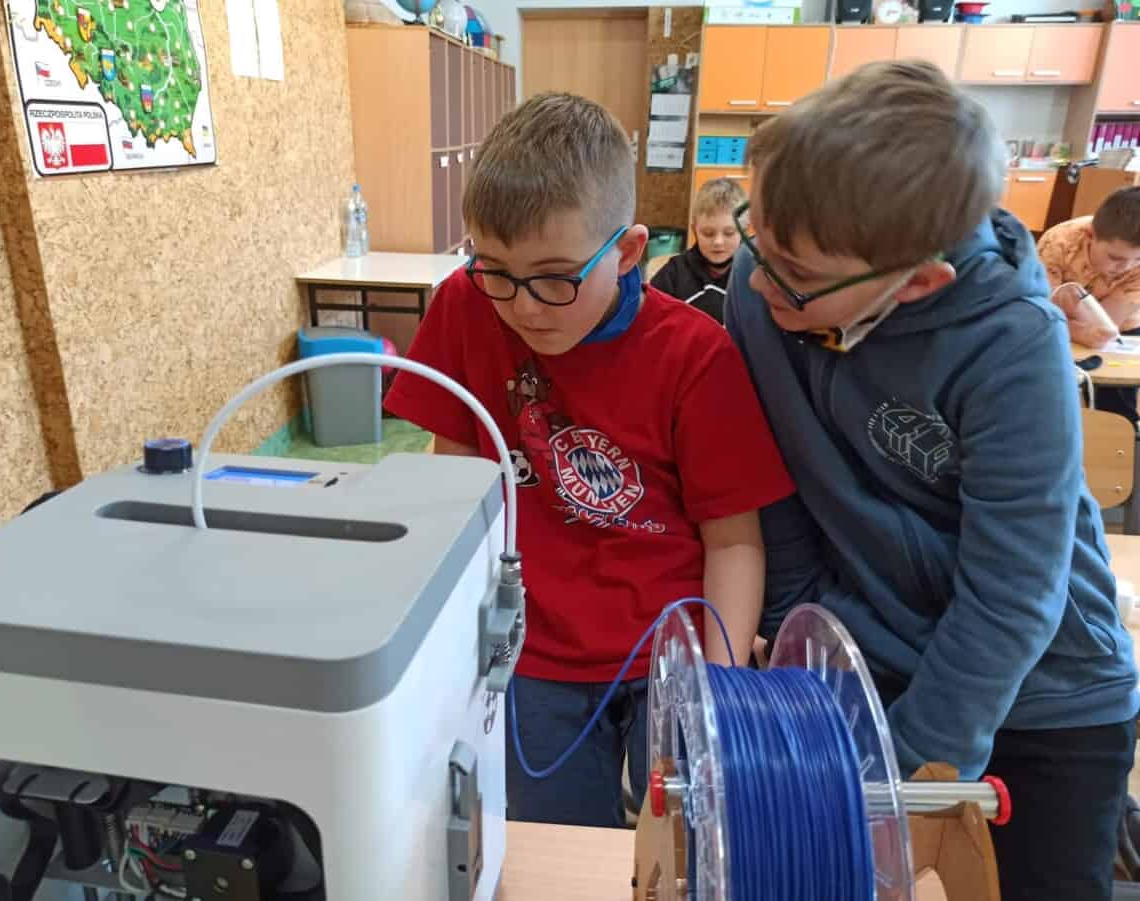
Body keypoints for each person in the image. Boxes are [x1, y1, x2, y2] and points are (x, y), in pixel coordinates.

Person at [723, 60, 1139, 901]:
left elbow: (1012, 596)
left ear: (917, 281)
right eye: (754, 237)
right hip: (867, 665)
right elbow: (779, 486)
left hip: (1050, 697)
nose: (759, 279)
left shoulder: (1012, 343)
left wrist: (913, 771)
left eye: (794, 270)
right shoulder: (766, 282)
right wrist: (796, 639)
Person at [385, 92, 793, 828]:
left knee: (689, 842)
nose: (523, 306)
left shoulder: (695, 355)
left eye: (554, 277)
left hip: (671, 650)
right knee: (558, 848)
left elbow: (734, 541)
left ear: (628, 252)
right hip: (529, 653)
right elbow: (455, 488)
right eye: (495, 270)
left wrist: (723, 688)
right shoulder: (465, 305)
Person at [1039, 187, 1140, 422]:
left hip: (1122, 329)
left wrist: (1073, 324)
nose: (1127, 267)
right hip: (1055, 323)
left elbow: (1105, 327)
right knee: (1048, 383)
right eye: (1115, 258)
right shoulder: (1058, 242)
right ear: (1090, 234)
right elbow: (1040, 313)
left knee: (1116, 399)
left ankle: (1120, 432)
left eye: (1137, 259)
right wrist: (1080, 330)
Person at [649, 177, 746, 323]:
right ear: (695, 230)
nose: (718, 242)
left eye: (729, 233)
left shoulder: (754, 276)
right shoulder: (673, 274)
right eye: (708, 233)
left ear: (744, 231)